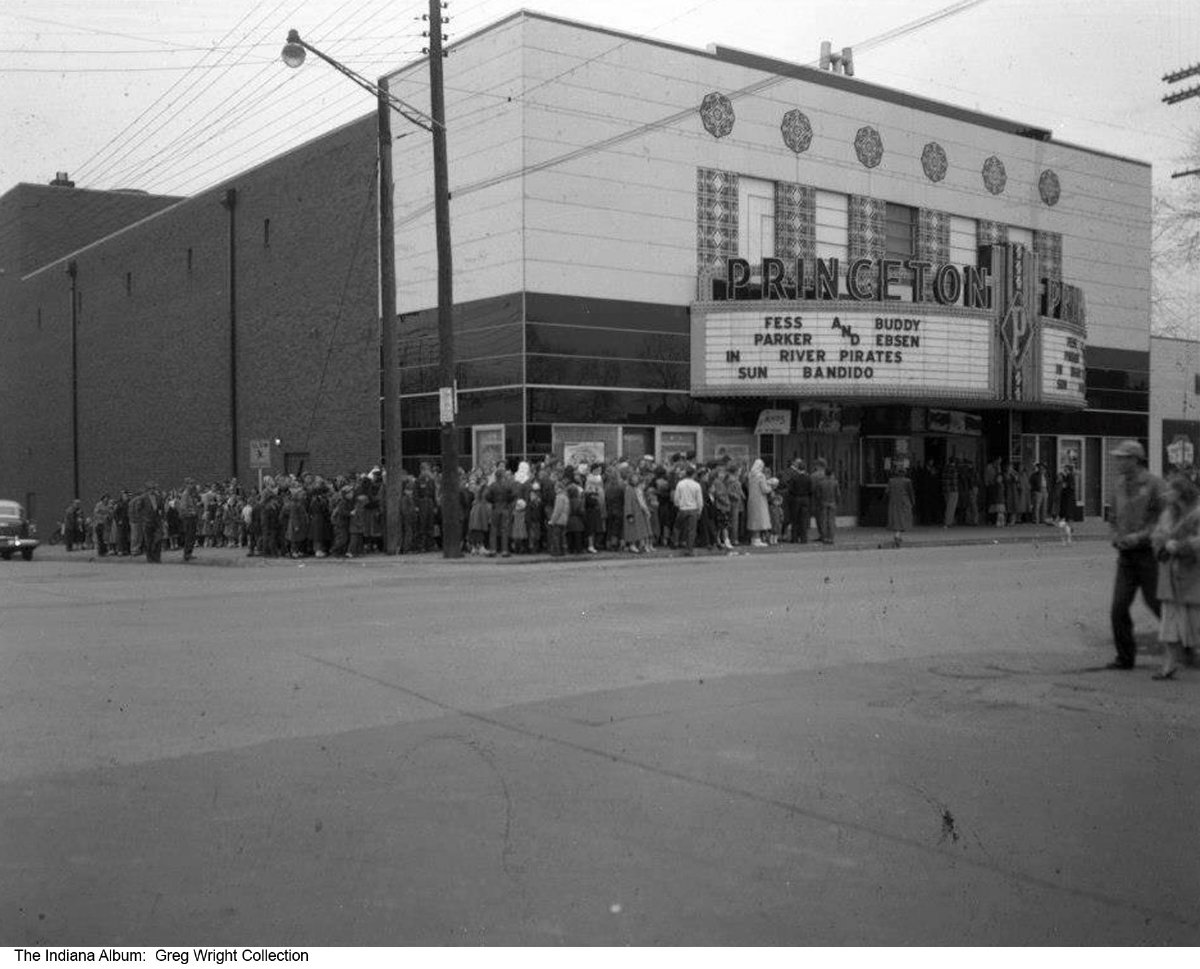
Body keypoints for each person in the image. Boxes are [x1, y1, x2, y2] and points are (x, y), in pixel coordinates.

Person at [1109, 440, 1167, 670]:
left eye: (1123, 457)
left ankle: (1185, 644)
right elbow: (1113, 516)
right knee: (1118, 607)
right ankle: (1125, 657)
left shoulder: (1154, 484)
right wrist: (1114, 534)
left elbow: (1164, 519)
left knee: (1156, 603)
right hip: (1125, 555)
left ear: (1135, 459)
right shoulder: (1119, 485)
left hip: (1147, 554)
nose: (1118, 461)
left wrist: (1141, 536)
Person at [1149, 472, 1200, 680]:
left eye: (1170, 490)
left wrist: (1180, 546)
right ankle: (1169, 666)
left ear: (1180, 492)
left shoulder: (1196, 514)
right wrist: (1162, 544)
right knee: (1169, 623)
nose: (1166, 494)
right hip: (1170, 576)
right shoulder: (1167, 514)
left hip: (1192, 576)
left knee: (1195, 621)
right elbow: (1157, 535)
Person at [672, 465, 703, 555]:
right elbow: (699, 500)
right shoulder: (697, 485)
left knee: (677, 526)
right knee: (691, 530)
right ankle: (689, 549)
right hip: (693, 509)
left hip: (682, 508)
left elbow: (677, 497)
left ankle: (675, 541)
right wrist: (699, 510)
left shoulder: (680, 484)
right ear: (693, 475)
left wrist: (678, 505)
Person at [886, 464, 915, 548]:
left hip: (894, 502)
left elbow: (887, 492)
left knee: (896, 519)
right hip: (904, 502)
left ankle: (898, 536)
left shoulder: (891, 481)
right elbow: (911, 492)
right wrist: (913, 502)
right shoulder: (907, 481)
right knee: (903, 519)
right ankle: (897, 536)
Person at [813, 459, 840, 545]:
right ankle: (831, 538)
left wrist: (819, 501)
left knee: (823, 521)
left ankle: (824, 537)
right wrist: (837, 501)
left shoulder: (821, 483)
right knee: (831, 521)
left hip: (823, 502)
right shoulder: (835, 482)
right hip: (832, 502)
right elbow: (838, 494)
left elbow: (818, 494)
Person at [746, 459, 772, 547]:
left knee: (753, 519)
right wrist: (771, 487)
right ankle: (757, 539)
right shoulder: (761, 476)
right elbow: (764, 489)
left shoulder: (750, 475)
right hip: (760, 500)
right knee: (760, 519)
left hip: (752, 499)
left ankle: (754, 539)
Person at [941, 459, 958, 528]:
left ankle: (949, 520)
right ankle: (948, 522)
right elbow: (954, 481)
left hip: (945, 490)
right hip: (953, 490)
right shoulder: (954, 470)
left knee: (948, 506)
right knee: (951, 507)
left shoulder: (945, 469)